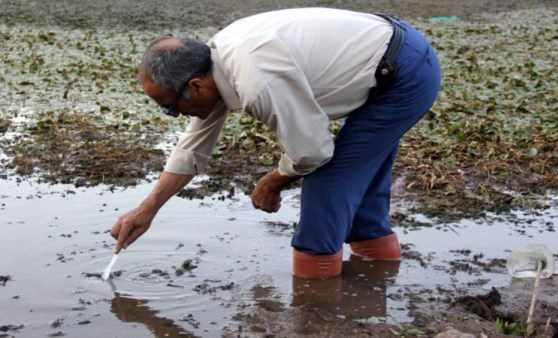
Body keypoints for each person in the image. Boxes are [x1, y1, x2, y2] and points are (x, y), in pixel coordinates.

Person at [110, 7, 441, 278]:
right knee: (361, 194)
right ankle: (377, 281)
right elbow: (191, 149)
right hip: (392, 58)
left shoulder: (257, 80)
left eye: (170, 107)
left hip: (403, 74)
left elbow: (312, 152)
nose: (176, 115)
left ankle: (315, 309)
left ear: (195, 86)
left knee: (327, 184)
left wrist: (274, 180)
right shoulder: (214, 61)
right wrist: (147, 210)